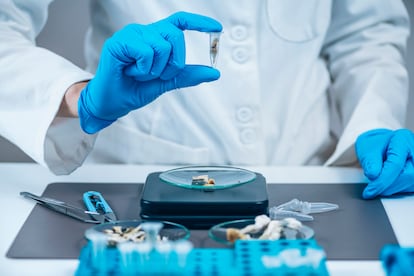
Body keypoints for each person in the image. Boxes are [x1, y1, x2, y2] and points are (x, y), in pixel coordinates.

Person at [0, 1, 413, 198]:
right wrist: (78, 98)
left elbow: (365, 33)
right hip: (138, 185)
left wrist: (373, 117)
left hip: (304, 180)